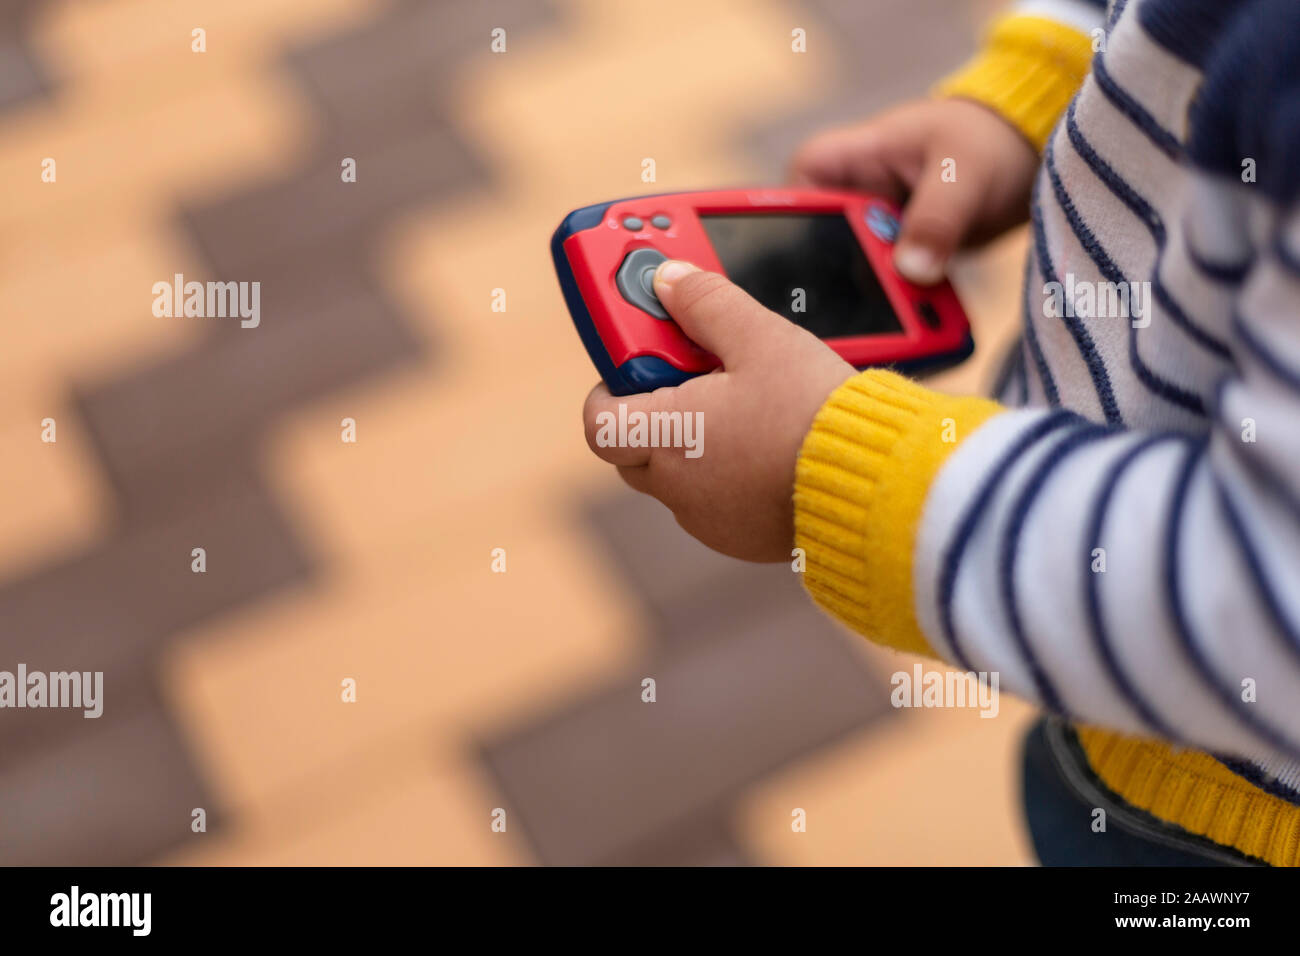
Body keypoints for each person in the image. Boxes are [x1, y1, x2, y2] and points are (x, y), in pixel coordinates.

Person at [582, 0, 1300, 865]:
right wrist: (1033, 91)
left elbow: (1268, 587)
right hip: (1128, 686)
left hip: (1226, 814)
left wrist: (839, 470)